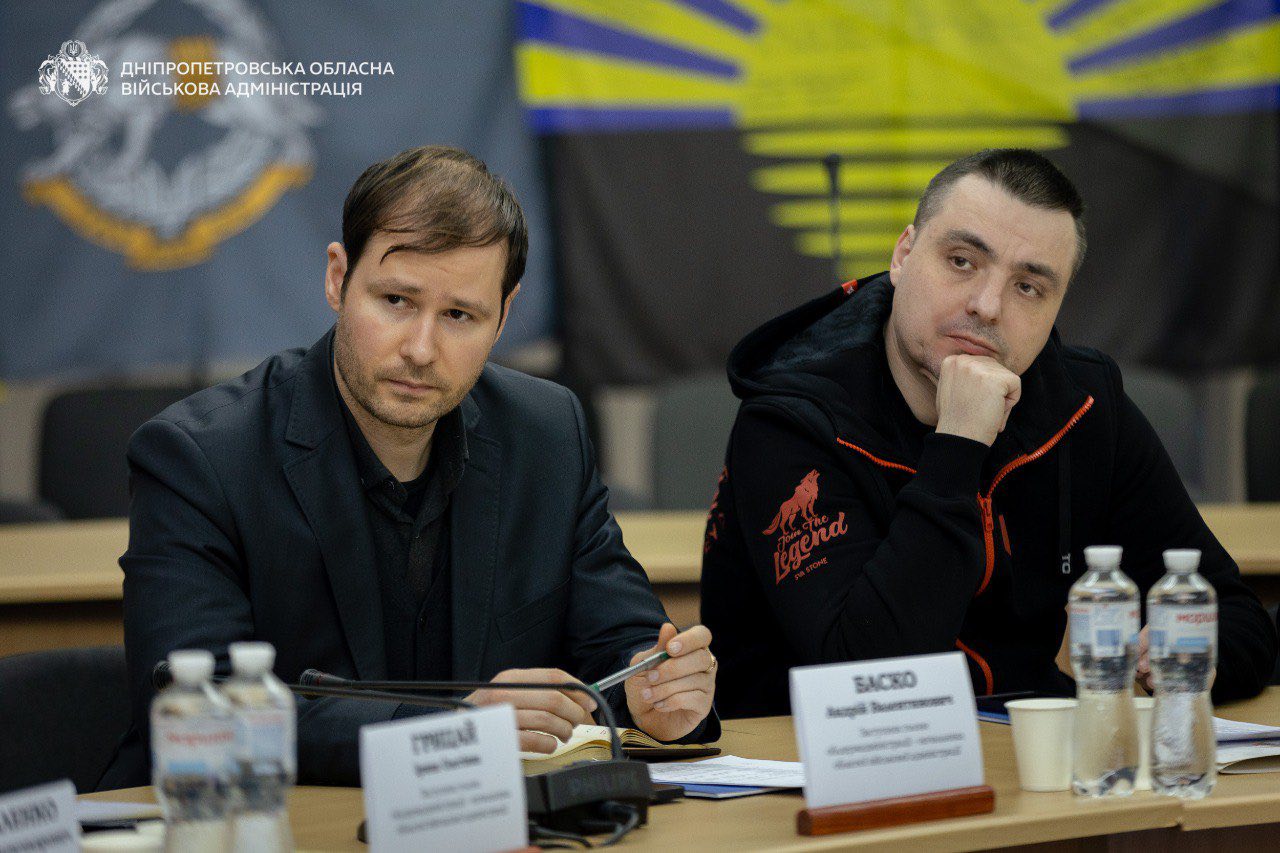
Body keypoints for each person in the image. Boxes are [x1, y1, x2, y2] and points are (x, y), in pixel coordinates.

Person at [104, 146, 718, 787]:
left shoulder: (546, 435)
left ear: (503, 316)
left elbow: (621, 641)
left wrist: (657, 690)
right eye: (396, 300)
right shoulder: (200, 457)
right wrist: (453, 730)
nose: (421, 350)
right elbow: (195, 713)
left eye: (459, 315)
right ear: (338, 279)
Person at [701, 148, 1277, 718]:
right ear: (903, 255)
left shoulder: (1082, 403)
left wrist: (1195, 653)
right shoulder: (790, 418)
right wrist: (958, 444)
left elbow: (1237, 617)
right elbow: (870, 680)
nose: (987, 306)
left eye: (1028, 287)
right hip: (812, 761)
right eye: (961, 262)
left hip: (1017, 748)